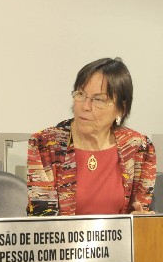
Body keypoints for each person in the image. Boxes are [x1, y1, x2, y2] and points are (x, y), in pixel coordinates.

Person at [27, 57, 156, 216]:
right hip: (62, 234)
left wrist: (139, 220)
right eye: (81, 94)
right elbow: (42, 219)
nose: (85, 106)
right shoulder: (46, 145)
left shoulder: (138, 148)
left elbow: (139, 213)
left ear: (121, 109)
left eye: (99, 100)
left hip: (118, 234)